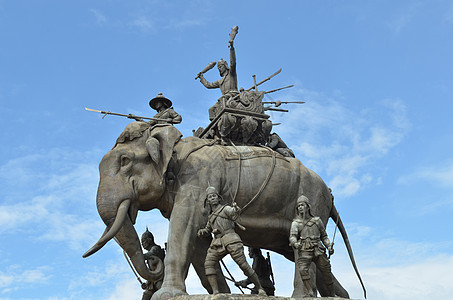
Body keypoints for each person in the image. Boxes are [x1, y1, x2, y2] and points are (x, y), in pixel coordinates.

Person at [197, 186, 266, 296]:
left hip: (231, 239)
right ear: (208, 201)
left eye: (214, 196)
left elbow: (233, 212)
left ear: (219, 198)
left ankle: (260, 288)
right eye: (210, 197)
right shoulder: (211, 217)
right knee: (208, 264)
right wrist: (203, 232)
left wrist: (235, 208)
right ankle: (215, 292)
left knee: (243, 265)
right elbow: (208, 229)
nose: (212, 198)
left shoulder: (225, 209)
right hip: (218, 243)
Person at [289, 195, 335, 297]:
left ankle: (332, 293)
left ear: (308, 206)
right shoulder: (296, 223)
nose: (300, 207)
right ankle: (309, 291)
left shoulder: (317, 221)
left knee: (326, 271)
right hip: (305, 249)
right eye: (298, 206)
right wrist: (295, 243)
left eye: (302, 205)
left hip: (318, 248)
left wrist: (329, 246)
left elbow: (324, 236)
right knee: (303, 270)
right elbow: (292, 237)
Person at [197, 38, 239, 120]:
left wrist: (232, 48)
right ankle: (214, 126)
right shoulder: (220, 81)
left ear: (225, 66)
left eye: (221, 66)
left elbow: (233, 62)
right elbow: (208, 85)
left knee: (222, 98)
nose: (219, 68)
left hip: (233, 95)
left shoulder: (231, 74)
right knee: (211, 109)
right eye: (218, 67)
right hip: (224, 98)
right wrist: (202, 77)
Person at [140, 228, 165, 300]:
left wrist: (137, 256)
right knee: (146, 295)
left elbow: (148, 255)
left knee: (163, 293)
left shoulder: (155, 249)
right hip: (153, 281)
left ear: (149, 240)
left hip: (161, 279)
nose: (142, 244)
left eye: (143, 241)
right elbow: (151, 271)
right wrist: (147, 283)